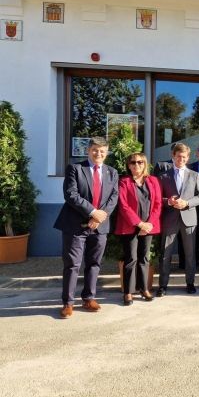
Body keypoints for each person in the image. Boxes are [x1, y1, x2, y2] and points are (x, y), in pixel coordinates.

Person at [54, 137, 119, 319]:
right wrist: (93, 212)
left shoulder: (112, 172)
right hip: (75, 226)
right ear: (88, 150)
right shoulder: (75, 168)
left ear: (106, 153)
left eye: (102, 151)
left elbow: (114, 197)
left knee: (94, 263)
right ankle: (68, 303)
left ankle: (89, 298)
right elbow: (71, 194)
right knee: (72, 264)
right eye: (95, 150)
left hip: (99, 226)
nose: (99, 153)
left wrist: (100, 216)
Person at [157, 143, 199, 296]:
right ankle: (163, 285)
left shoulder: (194, 175)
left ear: (188, 158)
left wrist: (187, 203)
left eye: (184, 157)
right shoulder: (164, 176)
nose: (181, 159)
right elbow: (157, 199)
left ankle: (190, 283)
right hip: (170, 219)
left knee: (190, 254)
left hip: (189, 218)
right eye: (178, 156)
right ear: (173, 156)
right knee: (165, 254)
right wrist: (168, 202)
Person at [115, 152, 161, 306]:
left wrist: (149, 224)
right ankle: (128, 292)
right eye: (133, 162)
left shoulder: (153, 181)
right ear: (128, 165)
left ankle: (144, 288)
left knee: (144, 258)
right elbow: (123, 205)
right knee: (131, 259)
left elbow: (157, 204)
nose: (137, 165)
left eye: (140, 162)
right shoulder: (124, 182)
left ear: (145, 164)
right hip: (130, 226)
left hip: (148, 226)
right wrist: (139, 224)